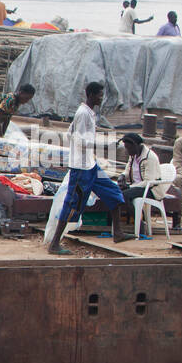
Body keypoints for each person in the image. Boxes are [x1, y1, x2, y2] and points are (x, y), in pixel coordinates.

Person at [47, 81, 133, 255]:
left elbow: (70, 133)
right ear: (92, 95)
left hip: (91, 166)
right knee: (72, 204)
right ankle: (54, 244)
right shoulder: (83, 114)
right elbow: (78, 139)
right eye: (100, 95)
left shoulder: (88, 113)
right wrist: (104, 145)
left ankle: (118, 232)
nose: (102, 98)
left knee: (114, 192)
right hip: (81, 169)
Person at [118, 132, 176, 234]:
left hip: (151, 189)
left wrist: (129, 186)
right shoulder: (133, 155)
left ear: (136, 145)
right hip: (137, 186)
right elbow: (128, 171)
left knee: (124, 195)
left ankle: (140, 224)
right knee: (115, 192)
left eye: (129, 148)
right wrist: (122, 176)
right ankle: (120, 225)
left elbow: (148, 182)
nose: (127, 151)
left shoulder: (150, 157)